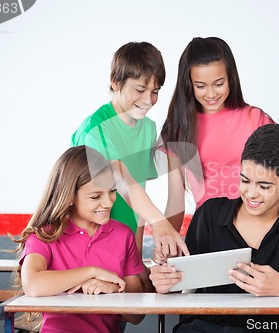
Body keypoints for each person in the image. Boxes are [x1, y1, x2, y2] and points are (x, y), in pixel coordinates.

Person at [150, 124, 279, 333]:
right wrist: (164, 283)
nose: (251, 193)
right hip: (202, 328)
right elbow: (183, 285)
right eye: (245, 180)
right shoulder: (210, 213)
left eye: (264, 186)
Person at [71, 41, 188, 265]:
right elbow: (121, 178)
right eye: (140, 90)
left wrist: (135, 260)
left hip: (128, 237)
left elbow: (136, 192)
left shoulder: (149, 128)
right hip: (91, 238)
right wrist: (159, 221)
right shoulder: (97, 128)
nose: (149, 100)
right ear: (115, 83)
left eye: (155, 92)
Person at [10, 146, 144, 332]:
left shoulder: (123, 235)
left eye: (112, 191)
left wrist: (113, 291)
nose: (108, 202)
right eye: (95, 196)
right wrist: (92, 271)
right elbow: (32, 284)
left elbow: (137, 315)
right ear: (70, 196)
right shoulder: (44, 235)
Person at [158, 37, 274, 239]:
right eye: (201, 86)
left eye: (219, 84)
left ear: (231, 78)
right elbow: (176, 200)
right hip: (209, 229)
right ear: (189, 84)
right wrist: (167, 239)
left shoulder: (255, 120)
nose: (211, 94)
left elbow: (276, 182)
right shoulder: (180, 129)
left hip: (257, 227)